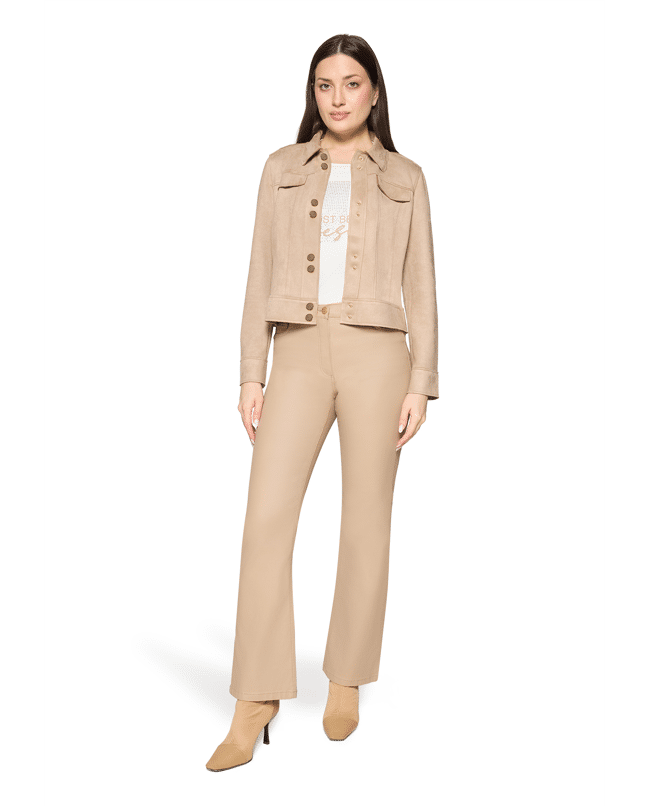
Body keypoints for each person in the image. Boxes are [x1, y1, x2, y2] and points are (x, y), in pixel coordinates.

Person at [206, 33, 439, 773]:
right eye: (324, 84)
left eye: (351, 83)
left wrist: (421, 380)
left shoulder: (405, 176)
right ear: (313, 94)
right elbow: (257, 271)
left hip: (378, 354)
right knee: (265, 520)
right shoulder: (281, 168)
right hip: (299, 350)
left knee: (366, 521)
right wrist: (252, 371)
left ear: (375, 91)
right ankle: (256, 697)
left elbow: (423, 284)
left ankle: (346, 678)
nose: (338, 98)